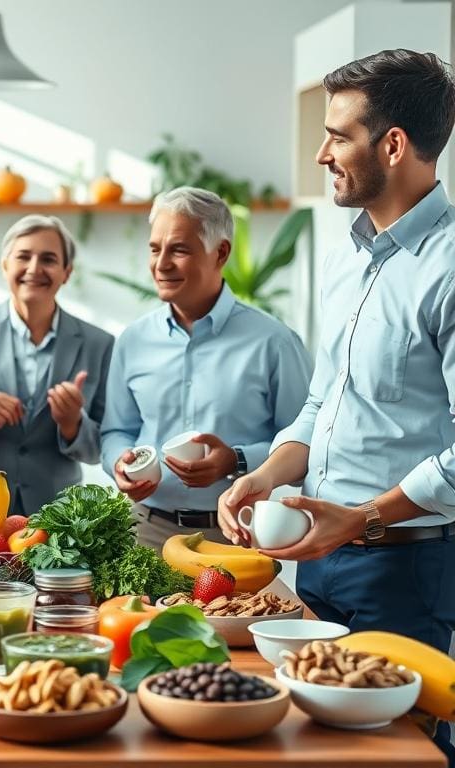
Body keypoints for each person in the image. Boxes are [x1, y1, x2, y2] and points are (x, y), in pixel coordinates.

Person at [217, 49, 455, 757]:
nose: (322, 154)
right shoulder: (348, 258)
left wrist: (363, 517)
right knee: (310, 748)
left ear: (393, 145)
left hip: (404, 569)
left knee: (397, 753)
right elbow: (323, 403)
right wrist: (265, 476)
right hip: (316, 564)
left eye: (337, 136)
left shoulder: (448, 266)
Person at [101, 187, 312, 552]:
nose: (161, 264)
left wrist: (236, 459)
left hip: (235, 535)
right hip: (144, 532)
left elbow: (306, 444)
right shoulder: (132, 340)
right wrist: (118, 462)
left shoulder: (275, 342)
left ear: (221, 253)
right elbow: (117, 430)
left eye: (179, 249)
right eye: (155, 249)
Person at [0, 215, 113, 516]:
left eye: (48, 259)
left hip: (55, 513)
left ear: (67, 272)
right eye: (23, 256)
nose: (34, 268)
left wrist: (73, 425)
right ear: (5, 265)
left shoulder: (99, 344)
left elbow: (105, 446)